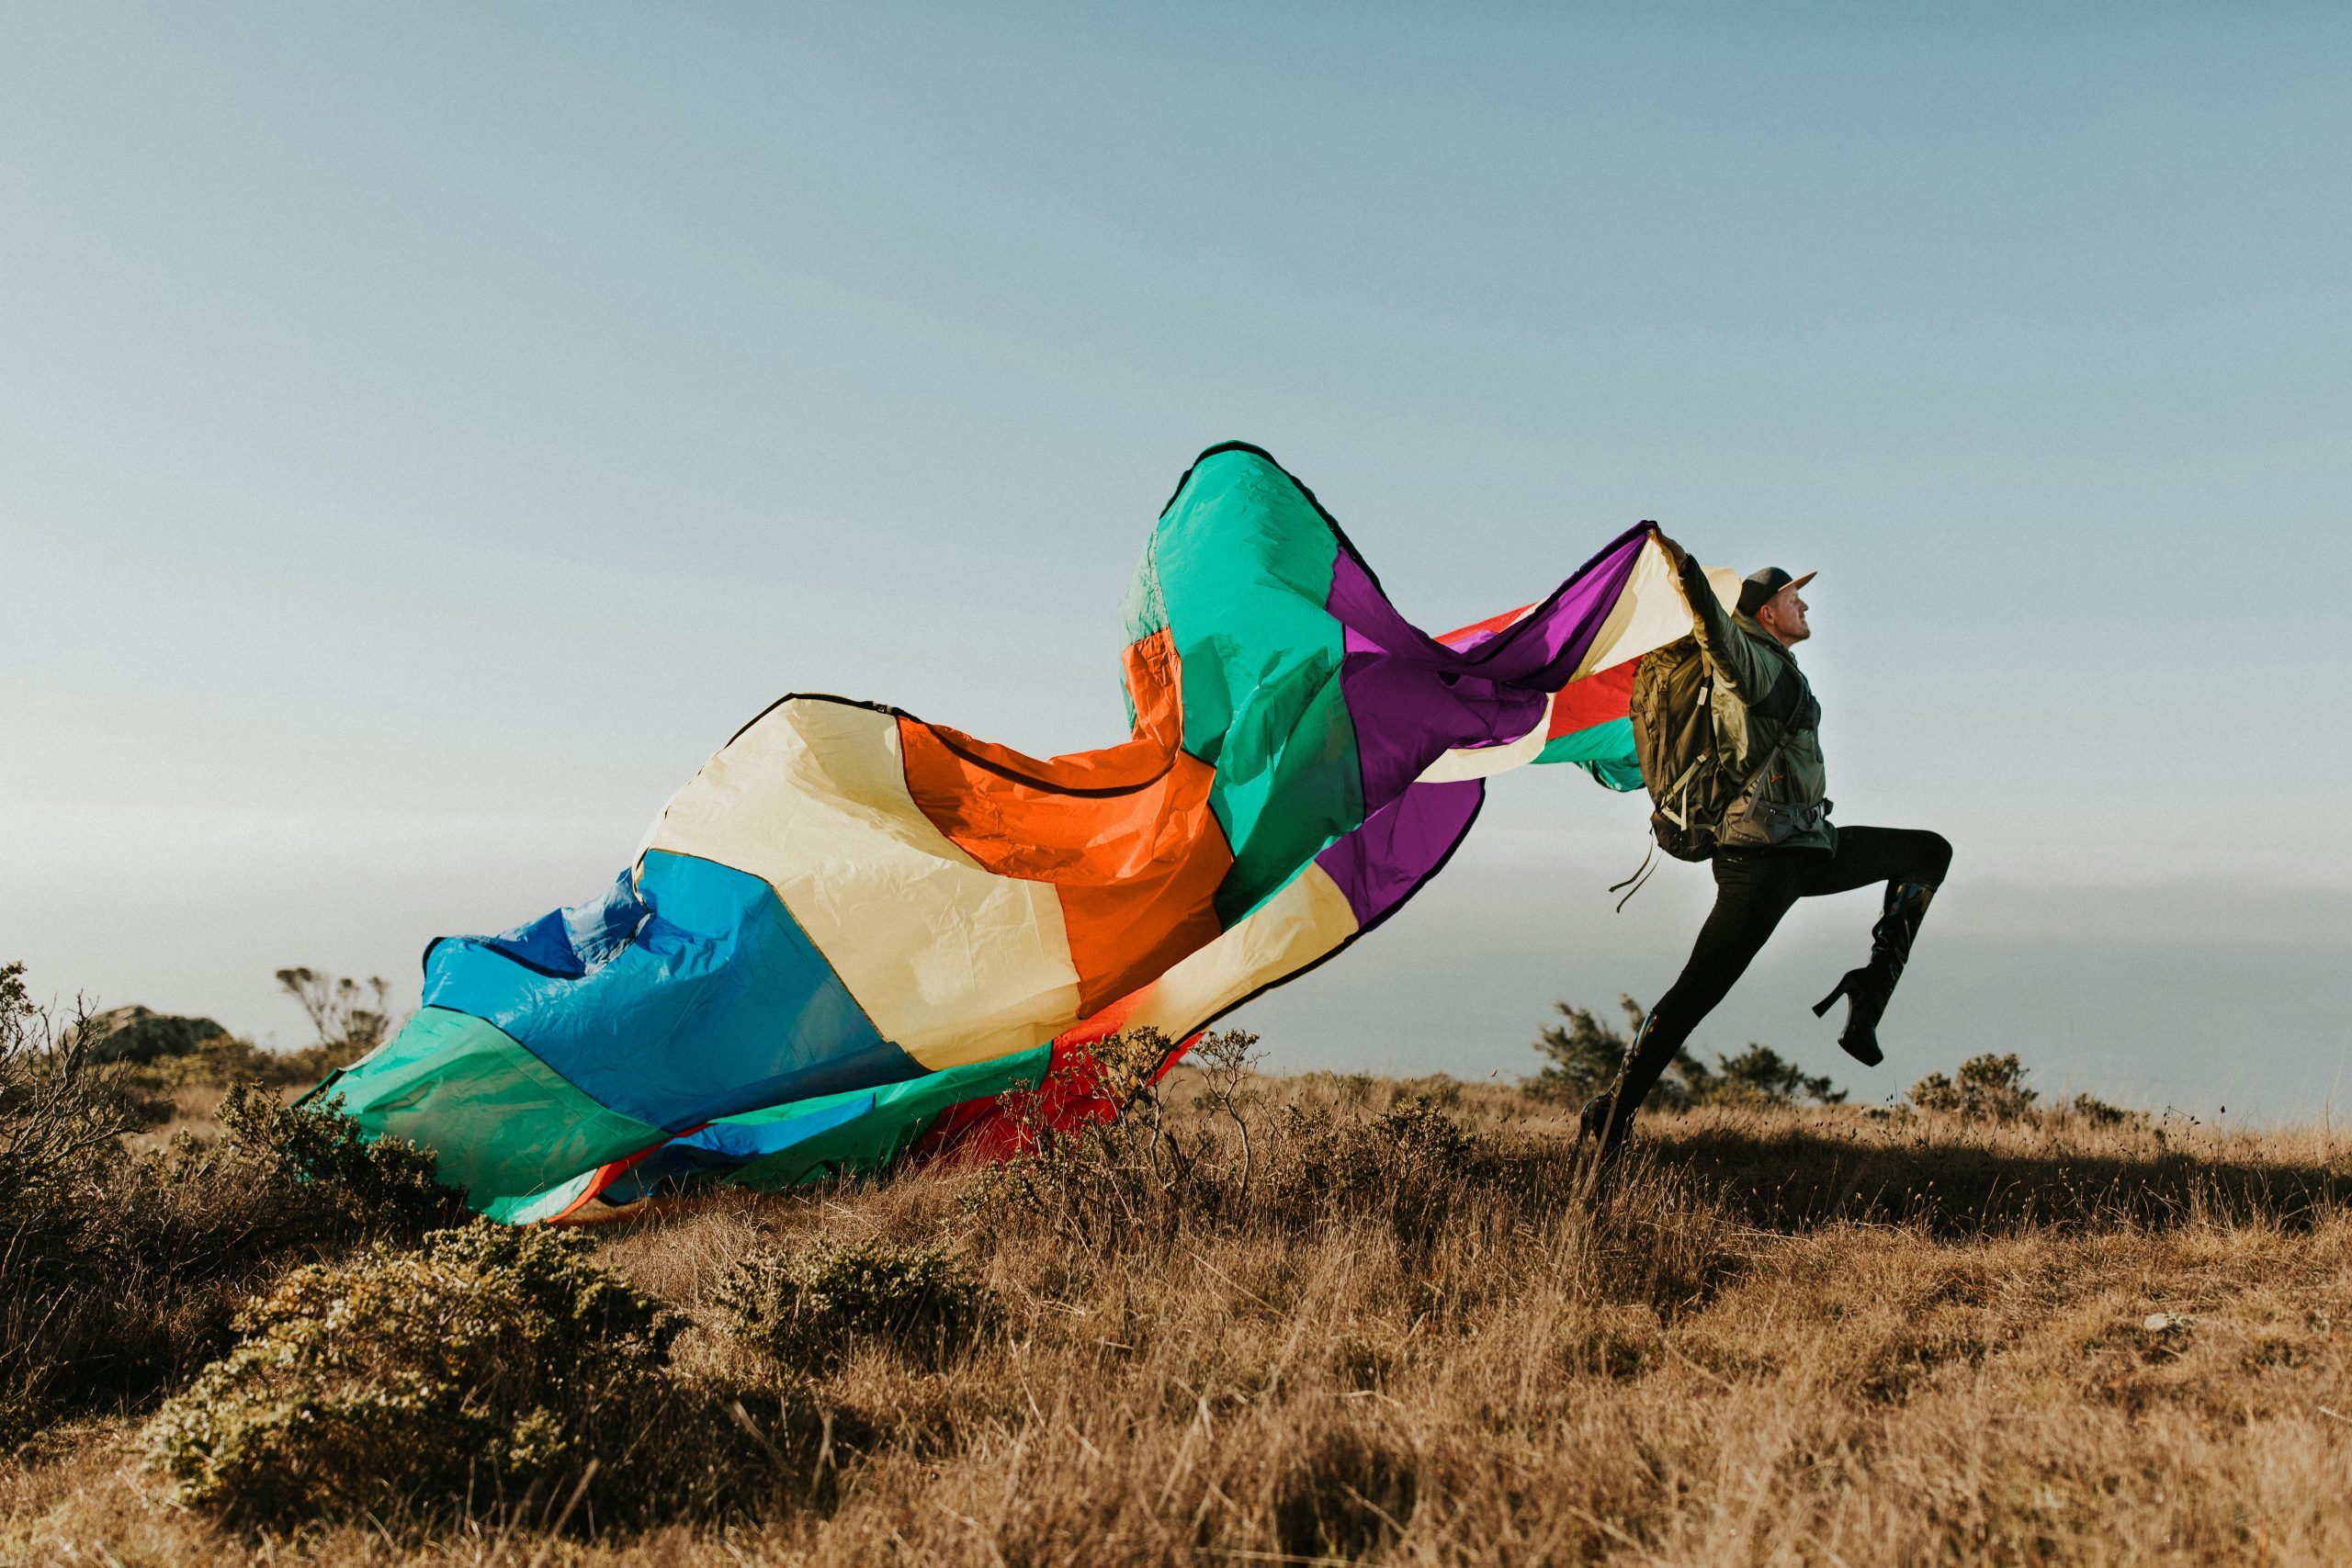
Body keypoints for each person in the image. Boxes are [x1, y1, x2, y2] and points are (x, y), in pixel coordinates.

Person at [1580, 532, 1951, 1156]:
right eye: (1792, 597)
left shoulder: (1782, 665)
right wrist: (1684, 567)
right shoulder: (1745, 661)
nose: (1804, 606)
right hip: (1758, 859)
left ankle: (1868, 995)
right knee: (1697, 991)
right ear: (1765, 612)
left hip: (1807, 846)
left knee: (1928, 852)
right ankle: (1613, 1111)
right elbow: (1711, 631)